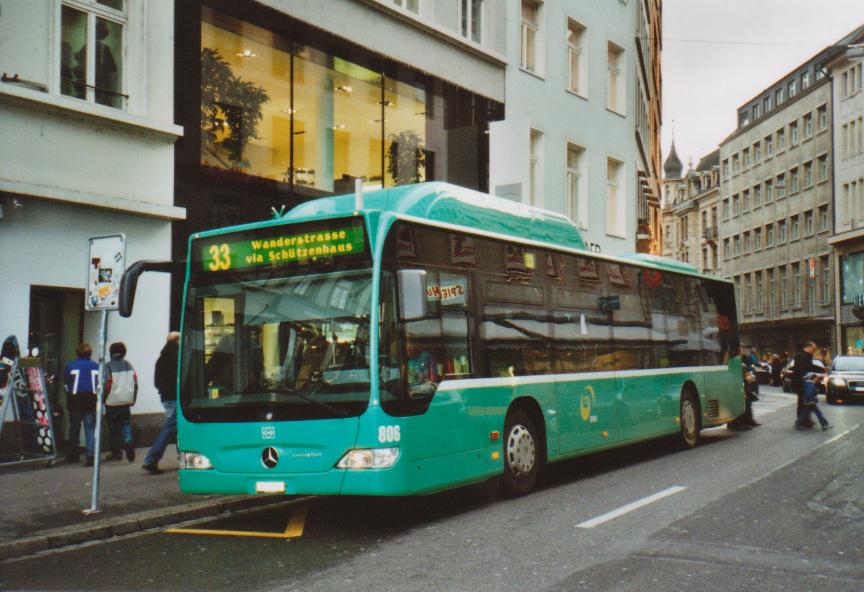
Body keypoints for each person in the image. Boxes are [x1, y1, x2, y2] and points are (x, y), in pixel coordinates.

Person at [143, 332, 180, 475]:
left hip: (165, 397)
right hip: (176, 397)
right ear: (177, 341)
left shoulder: (161, 358)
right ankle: (151, 459)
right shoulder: (178, 357)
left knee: (177, 429)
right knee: (170, 428)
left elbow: (156, 381)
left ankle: (184, 456)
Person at [64, 343, 100, 466]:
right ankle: (90, 455)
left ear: (77, 353)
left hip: (75, 399)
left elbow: (66, 384)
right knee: (90, 428)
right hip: (91, 399)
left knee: (74, 427)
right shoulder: (96, 366)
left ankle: (73, 454)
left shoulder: (70, 366)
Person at [104, 342, 138, 462]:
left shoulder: (107, 366)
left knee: (113, 428)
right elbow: (135, 383)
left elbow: (107, 384)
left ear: (111, 353)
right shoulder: (129, 365)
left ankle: (116, 452)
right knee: (126, 424)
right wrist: (133, 398)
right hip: (126, 401)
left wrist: (103, 398)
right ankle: (128, 441)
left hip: (112, 401)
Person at [791, 341, 821, 429]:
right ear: (809, 347)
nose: (814, 350)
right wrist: (813, 376)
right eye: (814, 348)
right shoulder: (800, 356)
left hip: (806, 382)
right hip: (800, 383)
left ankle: (806, 420)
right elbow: (803, 370)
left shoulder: (807, 356)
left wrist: (821, 370)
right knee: (802, 402)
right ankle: (800, 422)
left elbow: (810, 367)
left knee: (807, 402)